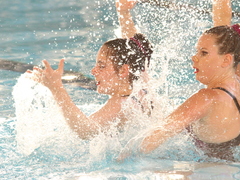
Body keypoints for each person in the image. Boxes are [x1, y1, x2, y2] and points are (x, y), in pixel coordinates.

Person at [132, 0, 240, 161]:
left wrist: (118, 158)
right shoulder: (237, 83)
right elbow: (224, 25)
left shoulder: (206, 98)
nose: (194, 57)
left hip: (208, 179)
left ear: (226, 60)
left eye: (203, 53)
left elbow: (150, 140)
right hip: (236, 173)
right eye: (197, 51)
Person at [26, 1, 153, 140]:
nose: (93, 71)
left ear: (123, 71)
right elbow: (133, 49)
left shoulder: (119, 104)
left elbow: (84, 131)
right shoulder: (141, 86)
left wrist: (56, 88)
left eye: (102, 66)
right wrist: (123, 12)